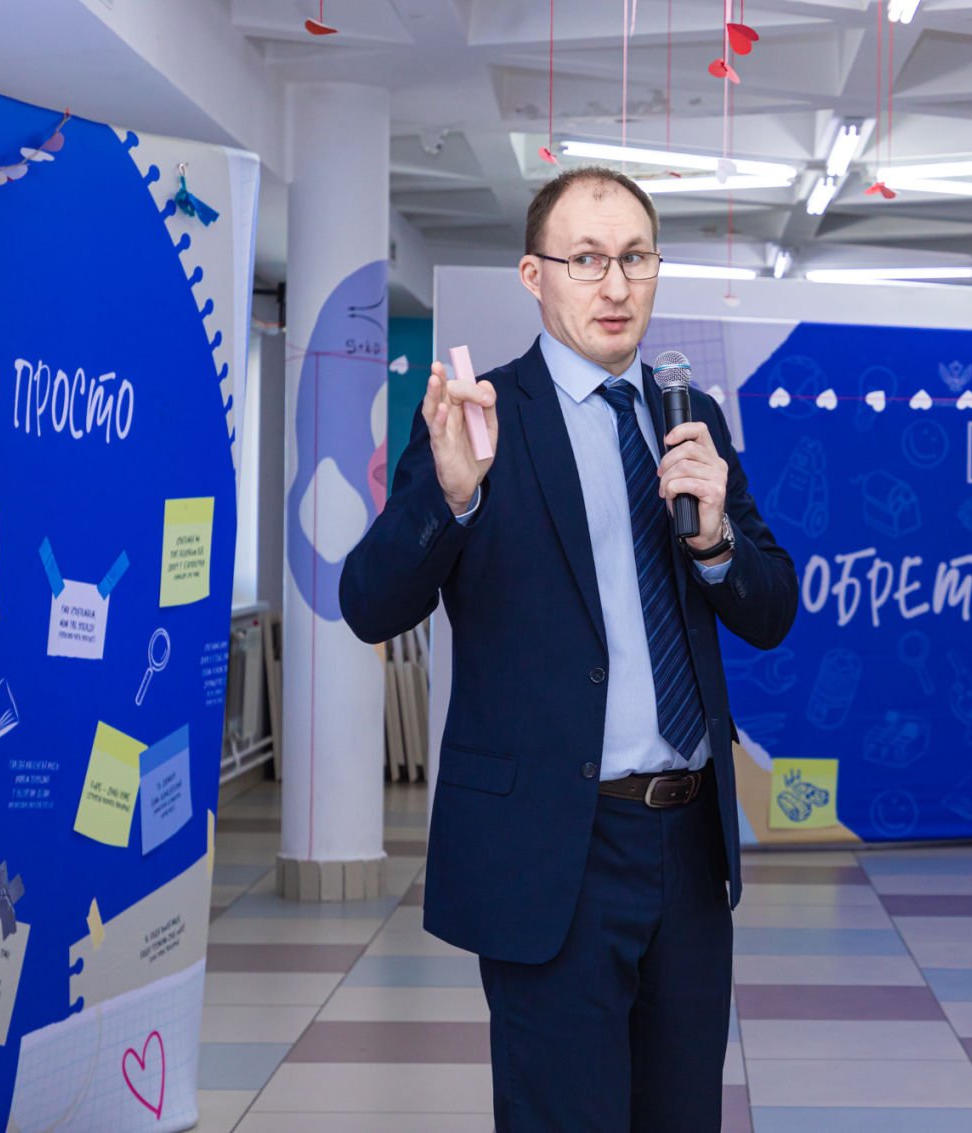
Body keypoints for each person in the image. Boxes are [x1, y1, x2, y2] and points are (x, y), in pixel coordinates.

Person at [339, 166, 799, 1132]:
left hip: (688, 844)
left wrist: (717, 540)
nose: (616, 285)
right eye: (586, 259)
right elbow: (370, 603)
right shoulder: (483, 416)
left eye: (635, 258)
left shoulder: (691, 418)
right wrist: (453, 498)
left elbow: (772, 609)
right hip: (555, 849)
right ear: (534, 274)